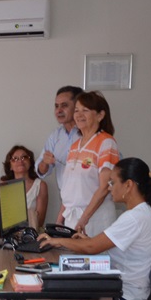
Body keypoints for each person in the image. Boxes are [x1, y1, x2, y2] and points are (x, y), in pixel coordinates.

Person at [39, 157, 151, 300]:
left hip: (124, 295)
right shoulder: (146, 213)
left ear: (128, 185)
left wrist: (57, 241)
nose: (109, 187)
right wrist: (88, 242)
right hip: (130, 291)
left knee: (56, 288)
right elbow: (97, 245)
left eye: (113, 182)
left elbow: (91, 247)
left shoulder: (135, 218)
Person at [59, 91, 120, 237]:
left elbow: (105, 187)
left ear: (100, 115)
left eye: (85, 110)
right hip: (73, 219)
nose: (79, 115)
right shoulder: (75, 146)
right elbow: (70, 189)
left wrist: (84, 219)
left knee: (92, 252)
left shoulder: (106, 142)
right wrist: (59, 221)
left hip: (94, 219)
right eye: (76, 110)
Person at [36, 85, 83, 191]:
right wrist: (45, 163)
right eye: (56, 106)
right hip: (66, 197)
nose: (59, 110)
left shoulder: (89, 133)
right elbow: (40, 171)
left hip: (91, 196)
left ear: (77, 107)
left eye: (64, 105)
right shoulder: (55, 136)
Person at [0, 145, 47, 230]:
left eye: (24, 157)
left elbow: (39, 221)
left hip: (32, 233)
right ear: (10, 166)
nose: (20, 161)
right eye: (15, 159)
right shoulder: (3, 185)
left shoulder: (40, 185)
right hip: (7, 233)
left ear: (30, 162)